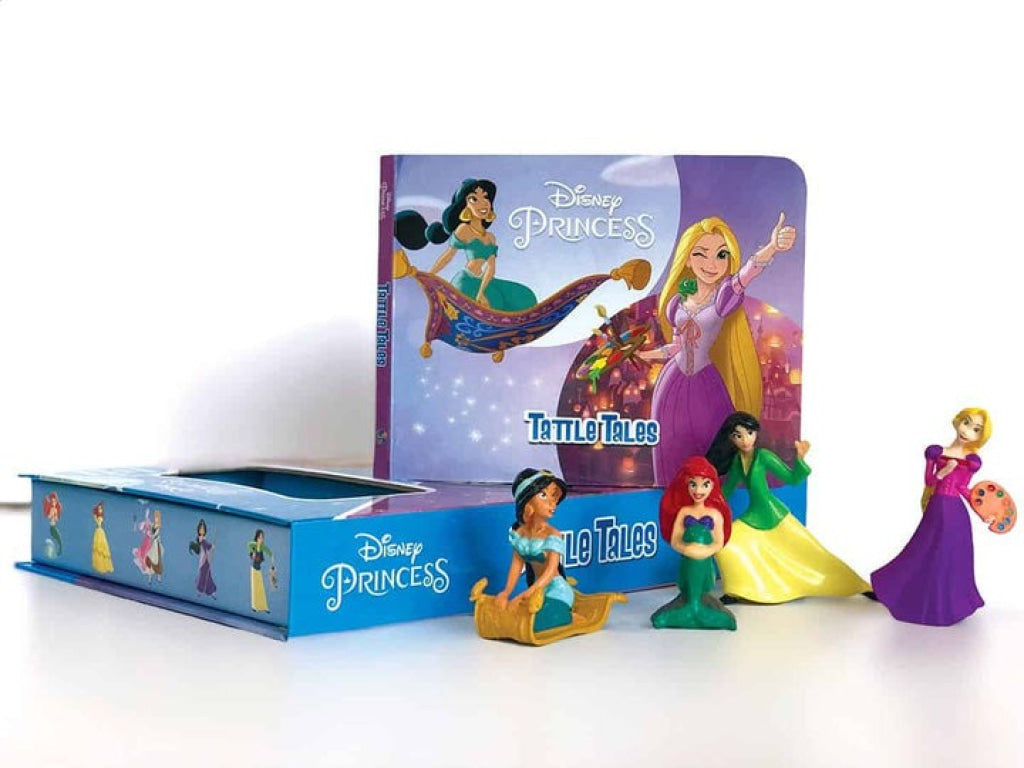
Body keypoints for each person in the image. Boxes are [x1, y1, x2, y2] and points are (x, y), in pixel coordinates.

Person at [639, 214, 796, 485]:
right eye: (701, 254)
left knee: (712, 447)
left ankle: (711, 500)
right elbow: (676, 346)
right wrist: (646, 354)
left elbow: (746, 275)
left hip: (705, 385)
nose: (711, 264)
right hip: (672, 384)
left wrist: (771, 247)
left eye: (721, 255)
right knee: (671, 445)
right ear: (688, 259)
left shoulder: (723, 297)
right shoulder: (677, 302)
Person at [706, 411, 870, 603]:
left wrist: (800, 459)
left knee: (814, 554)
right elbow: (727, 489)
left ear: (756, 433)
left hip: (774, 514)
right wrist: (706, 504)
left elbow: (792, 478)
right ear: (731, 438)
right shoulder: (737, 461)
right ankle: (737, 590)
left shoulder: (764, 456)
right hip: (754, 515)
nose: (745, 440)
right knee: (724, 542)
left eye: (749, 433)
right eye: (738, 435)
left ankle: (858, 585)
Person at [871, 408, 990, 625]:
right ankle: (903, 592)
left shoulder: (972, 461)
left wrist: (985, 515)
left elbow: (965, 489)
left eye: (976, 429)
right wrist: (943, 472)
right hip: (937, 508)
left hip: (956, 513)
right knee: (922, 550)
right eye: (966, 423)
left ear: (980, 436)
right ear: (957, 422)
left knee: (952, 557)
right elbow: (929, 481)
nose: (967, 431)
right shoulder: (936, 452)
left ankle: (950, 603)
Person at [394, 178, 537, 311]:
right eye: (474, 199)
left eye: (486, 197)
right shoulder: (464, 230)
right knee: (495, 303)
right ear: (465, 207)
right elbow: (448, 256)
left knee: (524, 296)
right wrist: (429, 275)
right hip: (466, 282)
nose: (483, 203)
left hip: (484, 281)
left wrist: (481, 292)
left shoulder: (491, 237)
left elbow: (491, 268)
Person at [651, 456, 736, 630]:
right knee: (685, 587)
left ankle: (698, 607)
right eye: (693, 484)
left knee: (701, 576)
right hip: (686, 564)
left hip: (705, 567)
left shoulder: (715, 514)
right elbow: (675, 539)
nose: (698, 490)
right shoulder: (684, 512)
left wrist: (704, 551)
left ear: (712, 486)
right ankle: (689, 606)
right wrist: (686, 548)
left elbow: (718, 542)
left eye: (705, 485)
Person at [494, 468, 578, 631]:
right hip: (536, 590)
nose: (552, 503)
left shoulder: (553, 535)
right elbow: (516, 565)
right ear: (527, 501)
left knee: (534, 621)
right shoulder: (520, 533)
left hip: (555, 590)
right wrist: (506, 592)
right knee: (511, 613)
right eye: (544, 495)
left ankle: (566, 615)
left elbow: (550, 572)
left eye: (554, 496)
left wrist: (525, 595)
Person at [188, 519, 217, 599]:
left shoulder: (204, 538)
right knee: (202, 575)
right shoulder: (200, 538)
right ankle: (200, 590)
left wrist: (211, 547)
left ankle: (211, 591)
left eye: (203, 529)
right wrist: (211, 546)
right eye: (201, 529)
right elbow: (205, 544)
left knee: (208, 575)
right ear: (198, 530)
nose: (202, 530)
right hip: (203, 559)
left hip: (207, 559)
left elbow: (207, 546)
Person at [248, 529, 273, 613]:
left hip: (259, 569)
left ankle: (264, 606)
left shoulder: (262, 546)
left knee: (261, 589)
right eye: (259, 537)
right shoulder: (254, 544)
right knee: (255, 588)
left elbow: (268, 551)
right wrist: (253, 552)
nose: (261, 539)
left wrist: (271, 556)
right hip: (254, 569)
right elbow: (249, 545)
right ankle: (255, 606)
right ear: (256, 537)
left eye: (262, 538)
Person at [91, 502, 114, 573]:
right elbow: (96, 517)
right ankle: (99, 564)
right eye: (100, 508)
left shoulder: (99, 516)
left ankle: (103, 564)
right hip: (99, 531)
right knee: (99, 546)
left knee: (102, 546)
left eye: (101, 508)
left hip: (100, 531)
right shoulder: (97, 517)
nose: (101, 509)